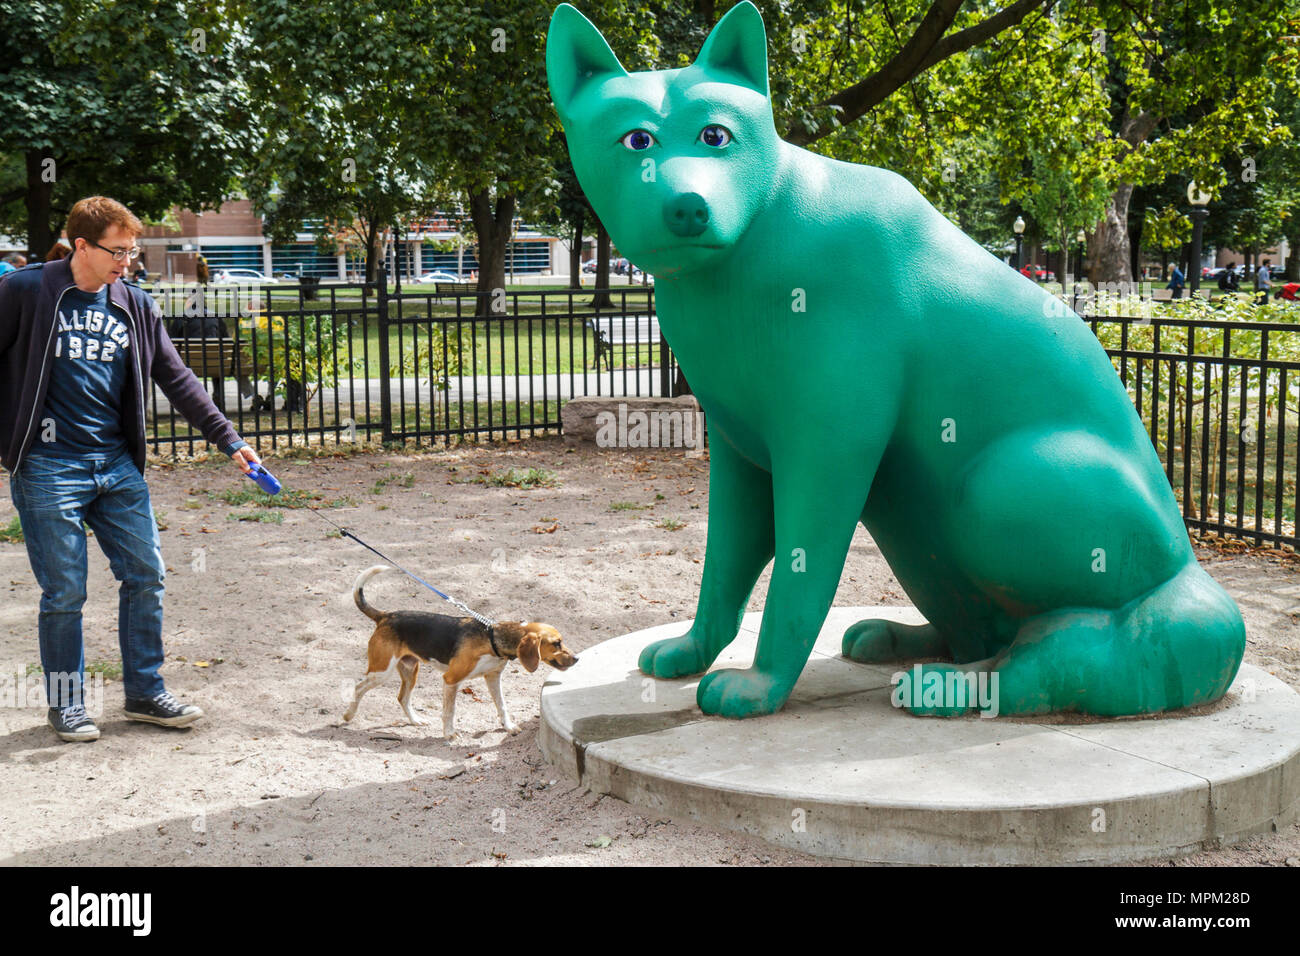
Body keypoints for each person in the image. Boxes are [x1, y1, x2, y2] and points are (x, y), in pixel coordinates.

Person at [0, 196, 260, 743]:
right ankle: (68, 705)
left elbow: (176, 376)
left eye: (132, 250)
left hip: (116, 465)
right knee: (66, 591)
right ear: (82, 246)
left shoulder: (134, 304)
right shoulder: (28, 291)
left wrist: (228, 438)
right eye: (118, 251)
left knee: (147, 575)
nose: (128, 261)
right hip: (49, 465)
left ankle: (144, 692)